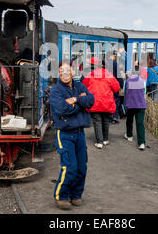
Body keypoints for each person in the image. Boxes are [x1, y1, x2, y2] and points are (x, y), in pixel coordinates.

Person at [49, 59, 95, 210]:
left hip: (80, 133)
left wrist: (75, 100)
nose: (65, 73)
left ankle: (76, 194)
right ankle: (61, 196)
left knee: (82, 167)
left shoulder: (79, 85)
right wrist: (81, 105)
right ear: (59, 73)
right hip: (65, 134)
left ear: (73, 72)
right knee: (70, 167)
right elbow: (63, 110)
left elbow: (91, 100)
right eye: (61, 70)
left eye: (67, 70)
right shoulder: (56, 91)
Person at [82, 57, 120, 149]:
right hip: (107, 102)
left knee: (97, 121)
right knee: (106, 120)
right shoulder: (109, 75)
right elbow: (117, 88)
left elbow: (83, 85)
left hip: (95, 101)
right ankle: (105, 139)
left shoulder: (91, 75)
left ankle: (99, 142)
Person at [124, 65, 147, 150]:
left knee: (129, 120)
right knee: (140, 123)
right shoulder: (142, 81)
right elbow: (144, 92)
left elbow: (125, 92)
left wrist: (125, 104)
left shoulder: (128, 81)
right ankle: (141, 143)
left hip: (130, 104)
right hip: (140, 105)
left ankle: (129, 135)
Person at [106, 51, 123, 124]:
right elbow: (119, 76)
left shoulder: (104, 64)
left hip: (106, 85)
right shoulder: (115, 64)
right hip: (114, 84)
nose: (115, 57)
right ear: (112, 56)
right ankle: (115, 116)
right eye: (114, 55)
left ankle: (109, 117)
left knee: (108, 100)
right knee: (116, 100)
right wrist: (121, 86)